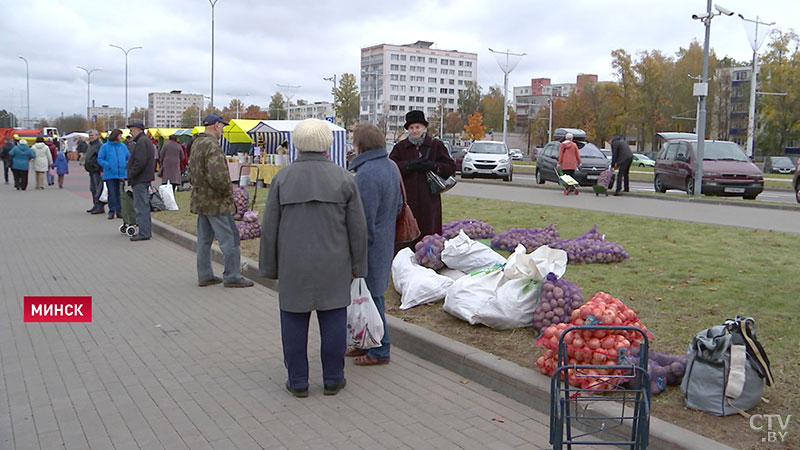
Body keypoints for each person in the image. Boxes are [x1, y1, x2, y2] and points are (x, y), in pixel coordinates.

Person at [260, 118, 368, 398]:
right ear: (327, 144)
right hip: (335, 263)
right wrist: (359, 266)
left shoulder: (282, 178)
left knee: (293, 321)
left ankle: (297, 381)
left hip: (293, 264)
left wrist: (269, 268)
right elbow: (358, 228)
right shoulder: (345, 178)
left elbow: (270, 228)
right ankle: (333, 378)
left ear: (297, 144)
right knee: (333, 320)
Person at [347, 123, 403, 366]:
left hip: (370, 246)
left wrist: (356, 253)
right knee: (370, 296)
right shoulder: (391, 166)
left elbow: (362, 220)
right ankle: (364, 342)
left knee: (371, 298)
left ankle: (380, 350)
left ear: (359, 146)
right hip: (384, 240)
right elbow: (399, 205)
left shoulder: (366, 173)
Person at [188, 114, 254, 289]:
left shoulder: (197, 143)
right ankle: (232, 275)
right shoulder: (212, 145)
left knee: (203, 239)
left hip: (201, 199)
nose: (223, 130)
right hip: (216, 201)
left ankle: (205, 275)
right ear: (216, 126)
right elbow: (218, 175)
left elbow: (191, 171)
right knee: (230, 239)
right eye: (222, 126)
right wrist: (228, 193)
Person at [389, 110, 456, 245]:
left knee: (429, 234)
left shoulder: (436, 145)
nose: (414, 131)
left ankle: (429, 258)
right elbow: (391, 168)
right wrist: (409, 165)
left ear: (424, 128)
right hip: (408, 200)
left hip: (429, 200)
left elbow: (450, 167)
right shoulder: (400, 148)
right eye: (411, 128)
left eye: (417, 127)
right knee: (408, 233)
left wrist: (434, 166)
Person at [126, 122, 156, 241]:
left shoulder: (141, 142)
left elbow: (140, 161)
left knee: (141, 206)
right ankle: (145, 230)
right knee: (142, 205)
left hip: (140, 178)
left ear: (138, 129)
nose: (130, 132)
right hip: (143, 177)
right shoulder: (144, 141)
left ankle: (144, 232)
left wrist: (132, 174)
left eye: (132, 130)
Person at [97, 129, 130, 219]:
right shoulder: (105, 147)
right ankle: (112, 211)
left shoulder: (123, 146)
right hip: (110, 174)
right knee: (112, 193)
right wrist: (107, 165)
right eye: (120, 135)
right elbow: (100, 159)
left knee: (120, 193)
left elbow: (128, 157)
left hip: (121, 173)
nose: (121, 137)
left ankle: (120, 211)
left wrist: (125, 164)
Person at [84, 130, 105, 214]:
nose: (90, 137)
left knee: (98, 189)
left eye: (92, 135)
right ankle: (95, 205)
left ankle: (99, 206)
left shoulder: (99, 145)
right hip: (91, 170)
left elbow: (101, 158)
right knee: (93, 189)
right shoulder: (90, 145)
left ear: (97, 135)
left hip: (97, 170)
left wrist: (101, 169)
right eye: (90, 135)